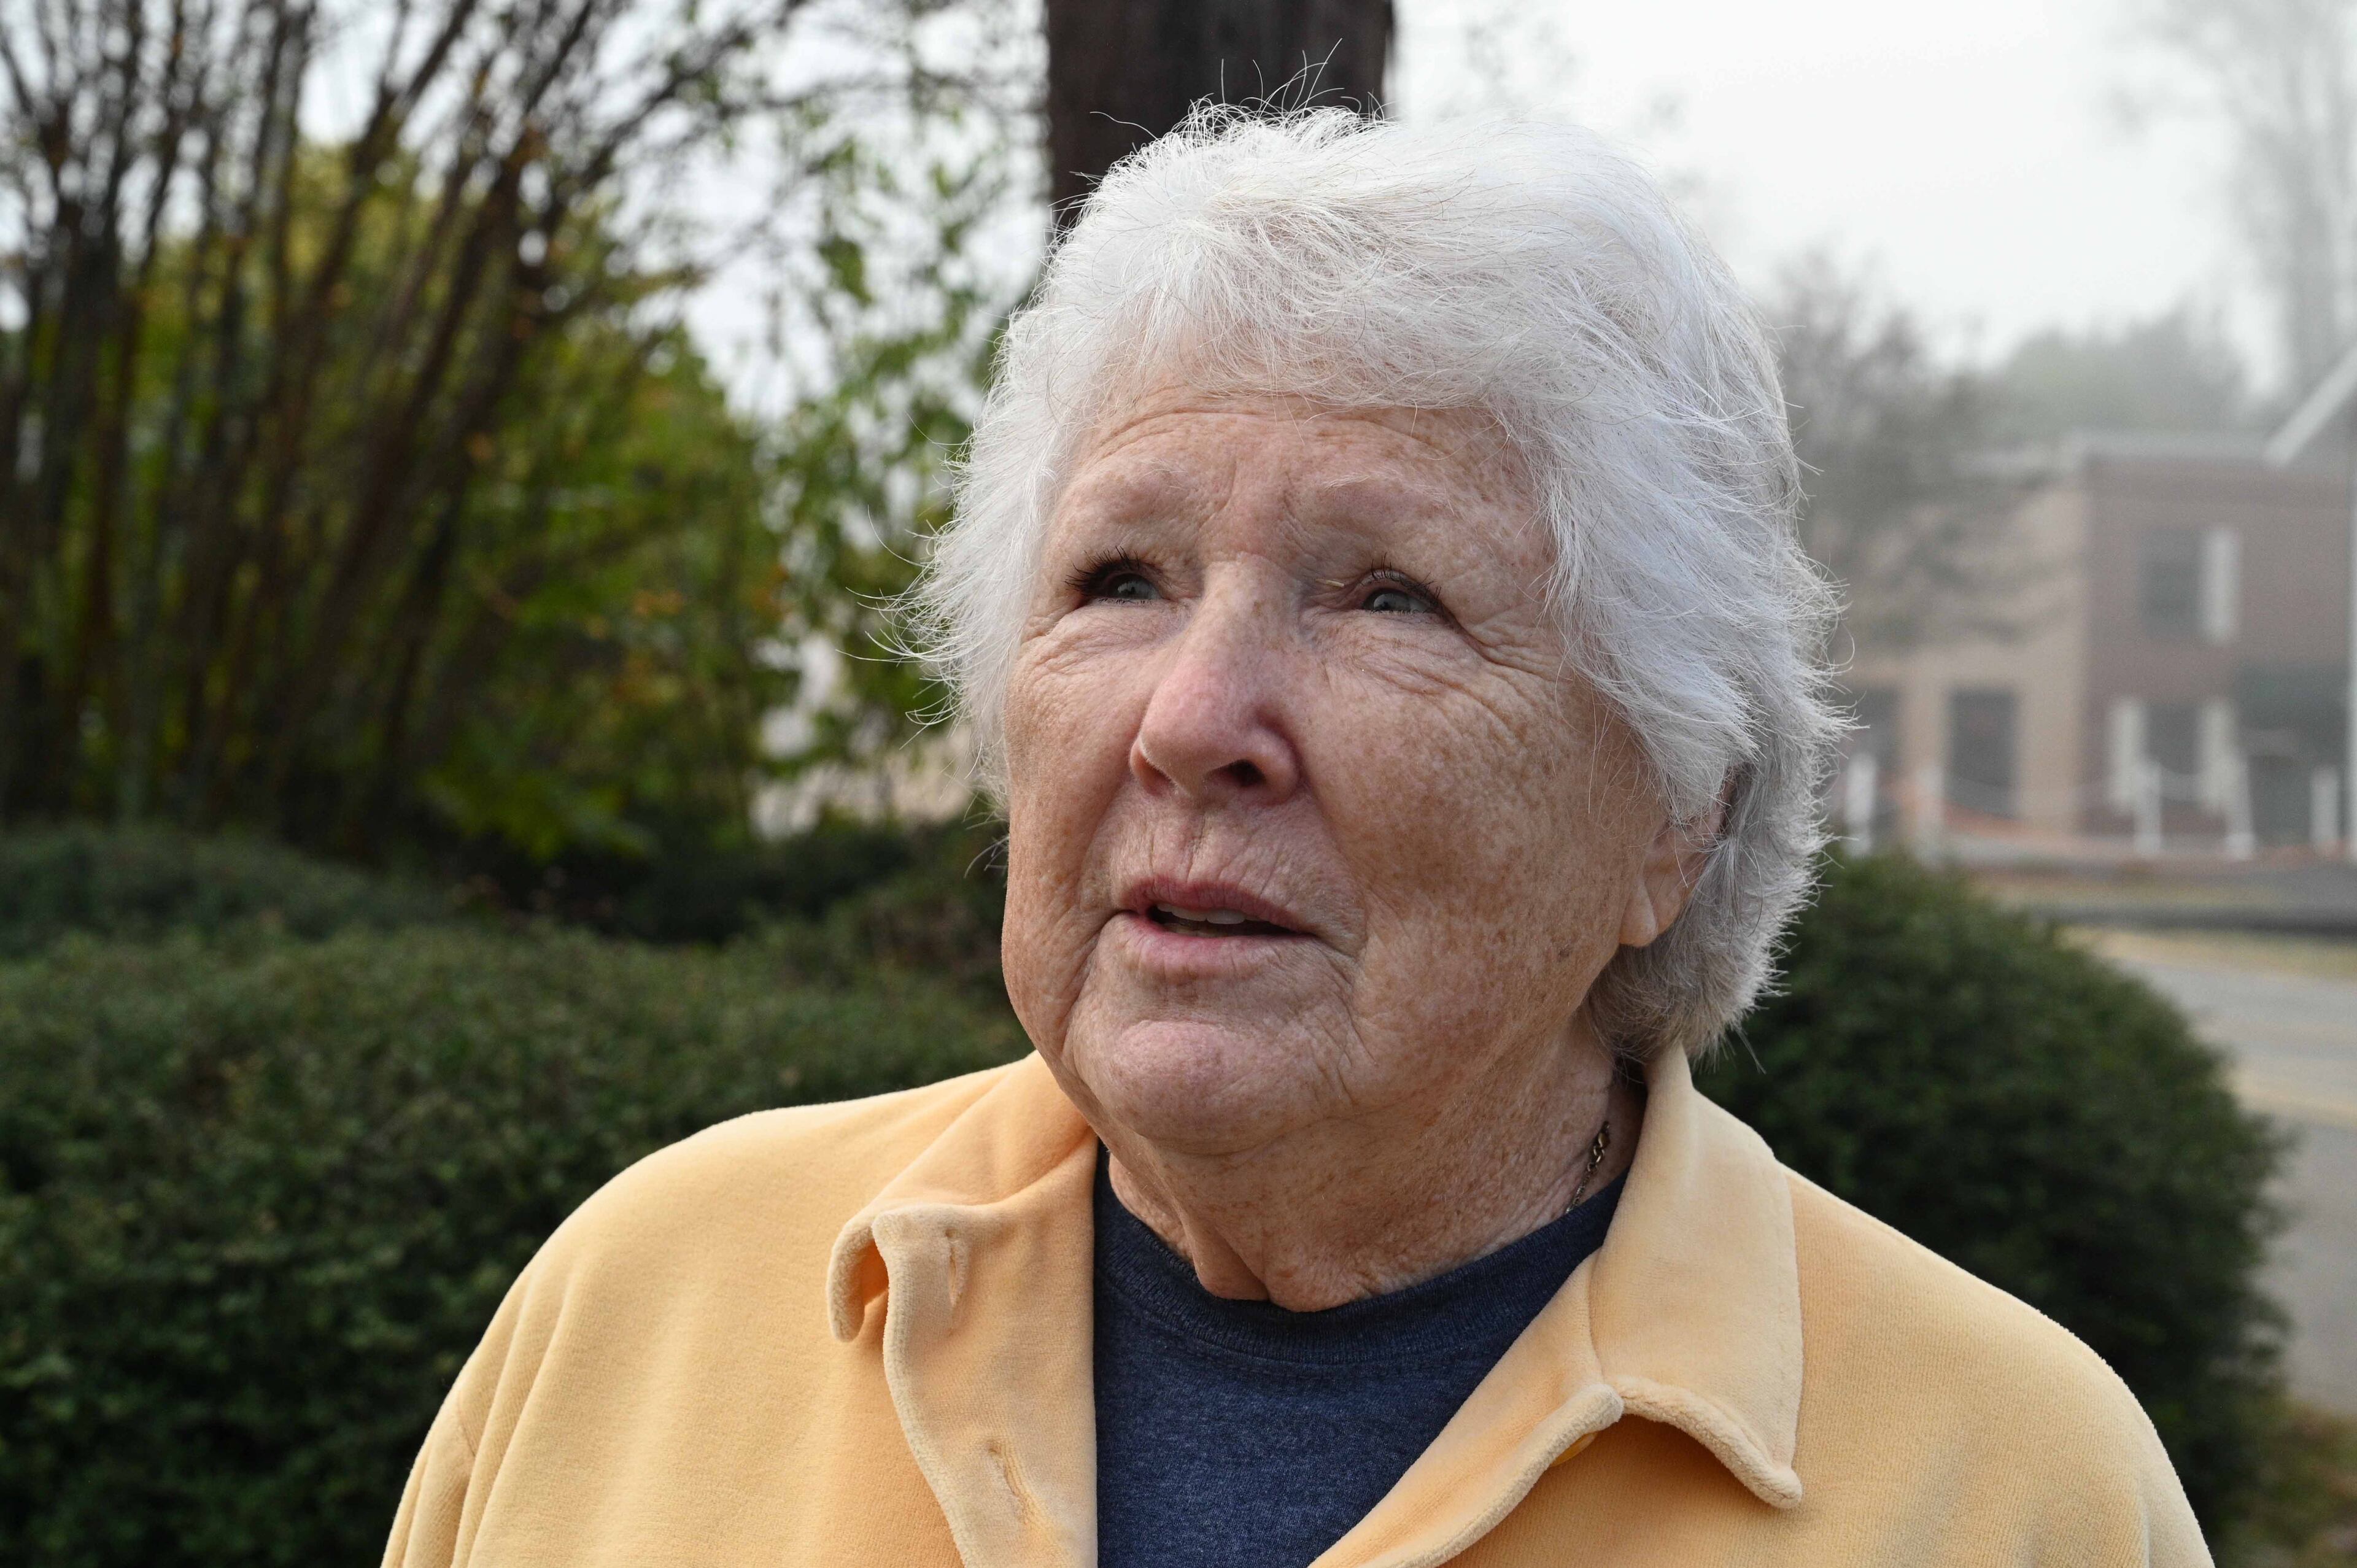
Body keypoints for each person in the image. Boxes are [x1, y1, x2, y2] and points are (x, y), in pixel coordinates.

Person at [384, 110, 2208, 1568]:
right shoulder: (648, 1301)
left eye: (1389, 596)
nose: (1191, 717)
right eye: (1119, 578)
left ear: (1676, 810)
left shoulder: (2015, 1490)